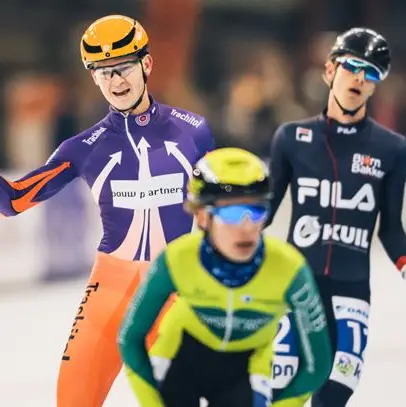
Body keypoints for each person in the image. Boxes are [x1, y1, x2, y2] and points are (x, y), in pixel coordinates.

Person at [0, 14, 214, 407]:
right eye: (103, 72)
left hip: (176, 286)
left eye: (124, 67)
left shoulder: (194, 130)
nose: (116, 81)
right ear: (93, 78)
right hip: (111, 287)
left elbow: (224, 206)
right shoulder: (83, 148)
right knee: (73, 399)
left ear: (147, 64)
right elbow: (13, 201)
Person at [119, 147, 332, 407]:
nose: (246, 226)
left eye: (257, 211)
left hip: (244, 367)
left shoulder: (290, 268)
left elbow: (318, 366)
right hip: (181, 357)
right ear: (201, 216)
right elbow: (130, 339)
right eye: (231, 213)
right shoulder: (177, 259)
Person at [268, 27, 406, 407]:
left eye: (371, 72)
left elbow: (391, 229)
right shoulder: (291, 138)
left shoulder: (392, 149)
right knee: (281, 393)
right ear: (330, 71)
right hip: (297, 287)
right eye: (352, 67)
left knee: (334, 395)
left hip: (351, 291)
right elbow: (264, 212)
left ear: (376, 86)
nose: (359, 78)